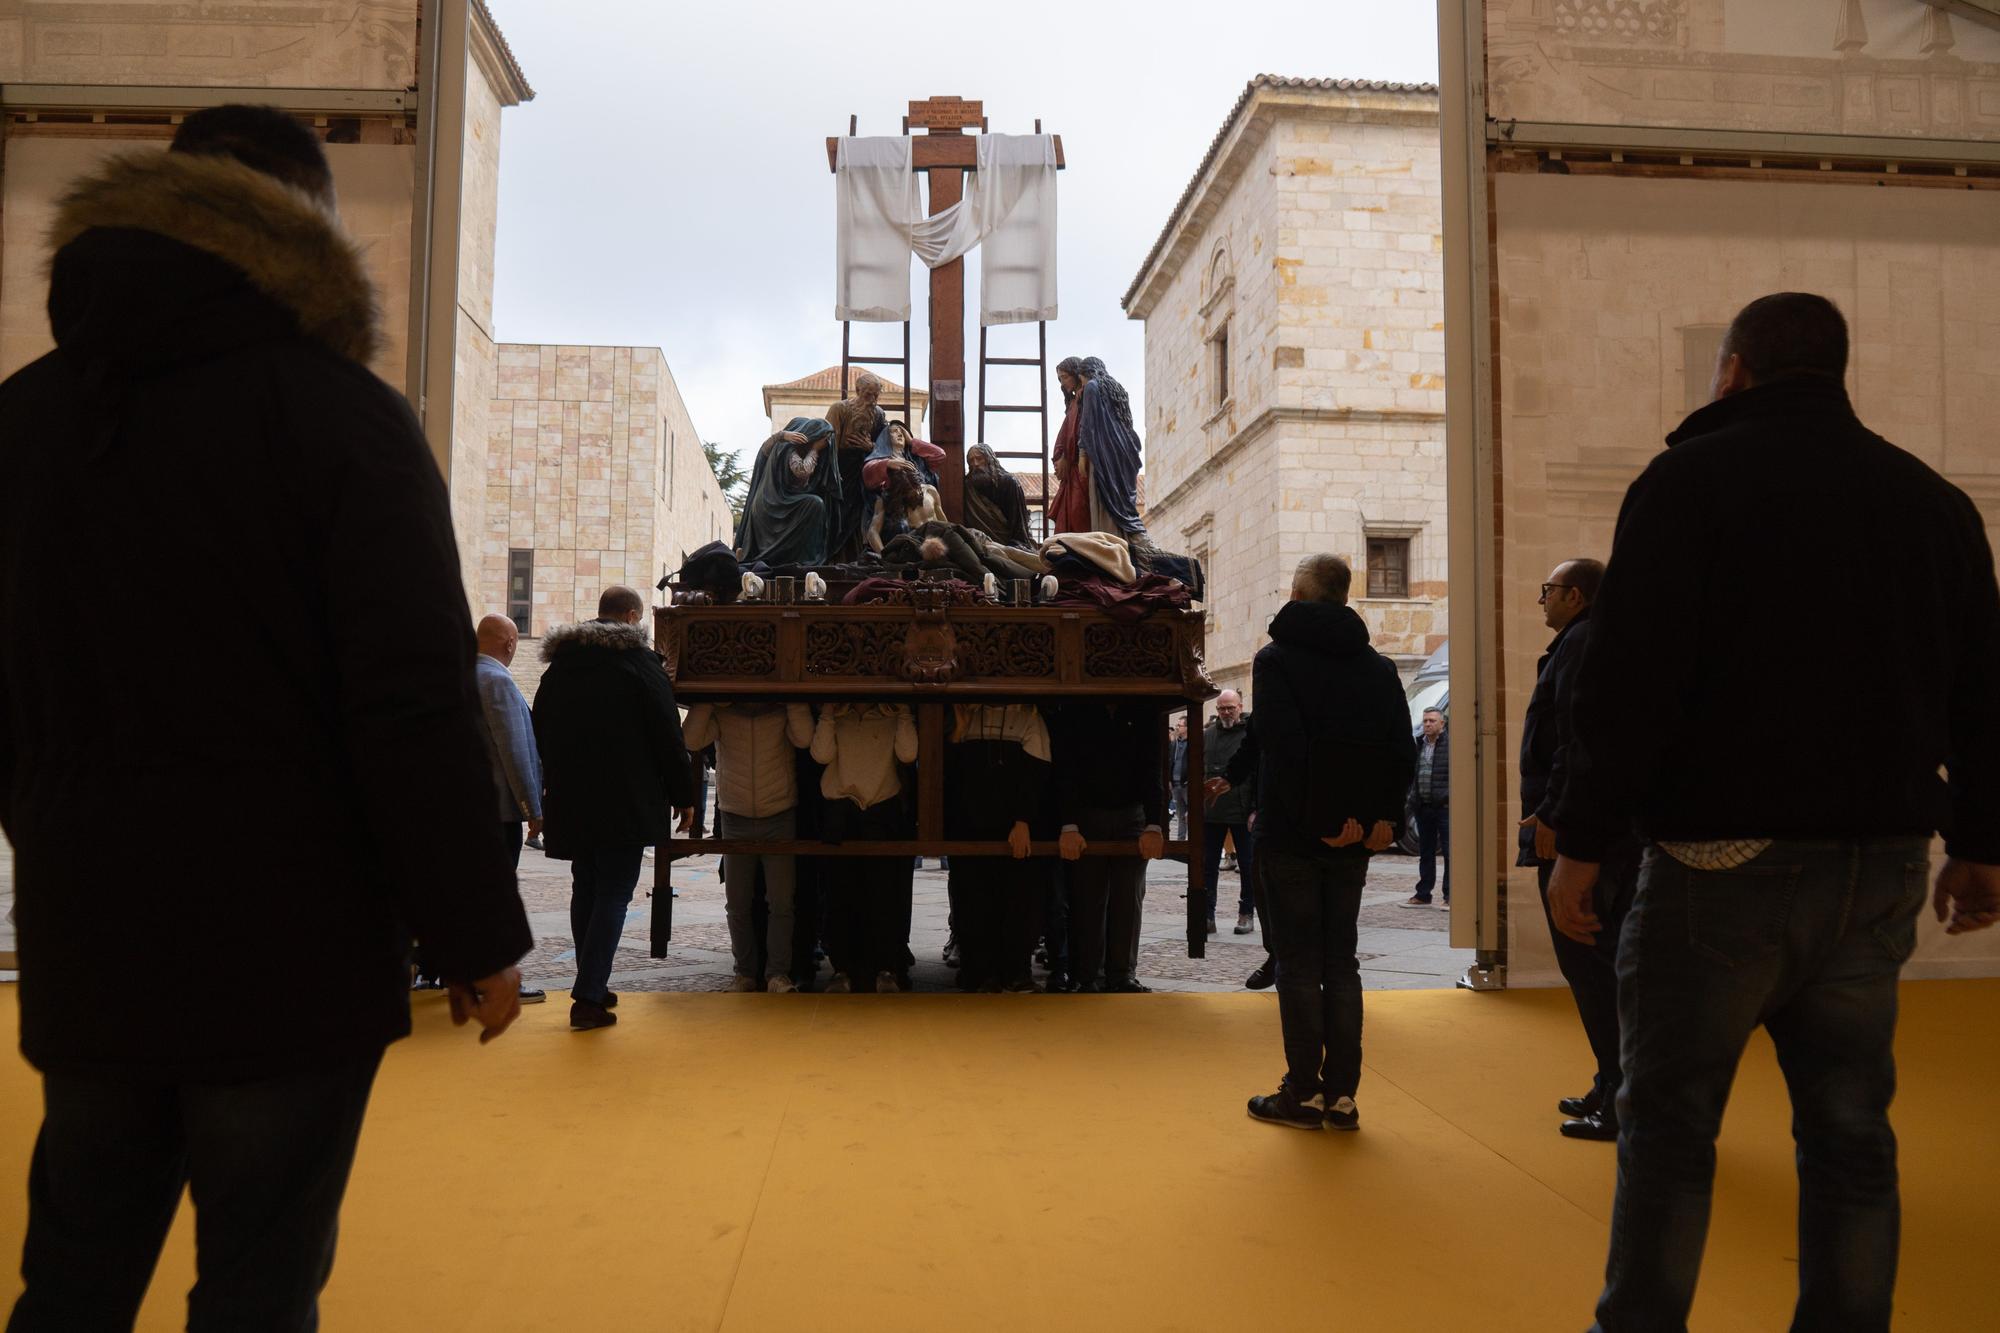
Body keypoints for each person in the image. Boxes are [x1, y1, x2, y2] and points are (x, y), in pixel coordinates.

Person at [0, 106, 531, 1330]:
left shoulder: (25, 424)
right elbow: (409, 705)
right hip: (286, 943)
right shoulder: (343, 420)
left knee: (71, 1275)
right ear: (305, 227)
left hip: (88, 931)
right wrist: (471, 932)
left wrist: (59, 832)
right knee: (257, 1284)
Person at [1545, 292, 2000, 1331]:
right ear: (1835, 373)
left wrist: (1582, 839)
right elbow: (1979, 692)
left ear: (1734, 370)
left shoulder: (1686, 482)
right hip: (1877, 861)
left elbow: (1624, 683)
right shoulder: (1930, 503)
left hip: (1718, 860)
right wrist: (1976, 841)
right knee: (1849, 1134)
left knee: (1666, 1128)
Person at [1212, 555, 1412, 1132]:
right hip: (1354, 837)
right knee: (1341, 963)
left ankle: (1302, 1093)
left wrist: (1322, 819)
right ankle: (1343, 1097)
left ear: (1299, 593)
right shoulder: (1378, 667)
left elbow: (1288, 745)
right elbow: (1399, 749)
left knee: (1299, 965)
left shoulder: (1276, 660)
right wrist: (1381, 821)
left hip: (1296, 833)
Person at [533, 586, 697, 1030]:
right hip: (626, 797)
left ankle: (593, 982)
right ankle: (588, 996)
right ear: (630, 617)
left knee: (585, 885)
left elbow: (540, 727)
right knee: (614, 890)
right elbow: (668, 735)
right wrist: (685, 795)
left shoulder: (561, 665)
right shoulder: (640, 665)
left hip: (571, 796)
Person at [1514, 560, 1631, 1140]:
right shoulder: (1581, 641)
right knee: (1591, 967)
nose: (1542, 600)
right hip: (1570, 823)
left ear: (1576, 595)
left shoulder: (1583, 643)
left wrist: (1554, 815)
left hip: (1571, 830)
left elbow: (1575, 739)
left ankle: (1620, 1096)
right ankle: (1611, 1081)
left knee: (1591, 966)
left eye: (1548, 589)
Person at [683, 701, 814, 993]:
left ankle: (777, 974)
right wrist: (710, 699)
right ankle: (745, 973)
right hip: (735, 814)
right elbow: (690, 739)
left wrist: (791, 696)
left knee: (781, 902)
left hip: (779, 812)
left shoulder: (782, 709)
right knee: (738, 902)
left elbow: (805, 738)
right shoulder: (722, 712)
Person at [1049, 702, 1167, 992]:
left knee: (1129, 896)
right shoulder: (1077, 709)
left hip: (1131, 812)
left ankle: (1122, 974)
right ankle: (1087, 974)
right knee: (1087, 897)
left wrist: (1154, 824)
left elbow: (1153, 766)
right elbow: (1066, 767)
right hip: (1088, 812)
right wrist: (1069, 824)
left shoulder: (1142, 710)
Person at [811, 703, 920, 993]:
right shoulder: (838, 716)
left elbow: (909, 753)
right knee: (840, 896)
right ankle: (843, 969)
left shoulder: (891, 716)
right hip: (841, 814)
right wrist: (828, 714)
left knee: (883, 897)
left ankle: (886, 968)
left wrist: (904, 712)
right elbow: (820, 754)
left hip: (881, 813)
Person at [945, 705, 1050, 991]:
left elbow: (1037, 773)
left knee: (1018, 901)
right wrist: (959, 730)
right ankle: (977, 971)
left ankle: (1015, 971)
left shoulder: (1028, 716)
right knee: (972, 902)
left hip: (1013, 828)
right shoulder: (965, 714)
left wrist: (1023, 820)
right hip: (969, 825)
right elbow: (948, 774)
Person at [474, 614, 549, 1003]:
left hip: (465, 811)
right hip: (499, 812)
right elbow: (515, 750)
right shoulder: (498, 681)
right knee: (498, 899)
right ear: (509, 644)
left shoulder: (460, 676)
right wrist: (532, 806)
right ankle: (497, 981)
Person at [734, 418, 837, 568]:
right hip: (774, 505)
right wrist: (814, 449)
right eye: (823, 439)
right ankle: (808, 560)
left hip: (782, 502)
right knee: (815, 505)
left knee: (816, 503)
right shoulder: (787, 449)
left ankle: (803, 557)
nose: (825, 444)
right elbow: (802, 471)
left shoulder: (789, 448)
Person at [1071, 357, 1150, 546]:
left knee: (1105, 498)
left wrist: (1082, 453)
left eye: (1080, 380)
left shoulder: (1092, 387)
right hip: (1125, 451)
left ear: (1086, 374)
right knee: (1123, 500)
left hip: (1104, 453)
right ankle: (1136, 538)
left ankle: (1111, 544)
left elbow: (1088, 423)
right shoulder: (1118, 388)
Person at [1201, 691, 1257, 936]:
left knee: (1247, 865)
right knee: (1207, 866)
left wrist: (1255, 808)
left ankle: (1246, 913)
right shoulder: (1206, 736)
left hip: (1243, 810)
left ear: (1240, 707)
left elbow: (1257, 773)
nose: (1226, 712)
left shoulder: (1250, 734)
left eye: (1230, 708)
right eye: (1222, 708)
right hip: (1212, 812)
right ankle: (1206, 914)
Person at [825, 372, 886, 562]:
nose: (872, 400)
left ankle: (859, 555)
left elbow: (883, 445)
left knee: (862, 513)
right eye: (868, 395)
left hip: (864, 469)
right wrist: (833, 474)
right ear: (858, 391)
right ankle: (835, 557)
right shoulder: (839, 409)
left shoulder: (878, 414)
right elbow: (828, 443)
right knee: (839, 516)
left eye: (876, 396)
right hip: (840, 469)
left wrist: (870, 447)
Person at [1403, 708, 1450, 907]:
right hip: (1423, 806)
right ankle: (1423, 894)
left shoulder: (1450, 745)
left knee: (1450, 852)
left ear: (1442, 724)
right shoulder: (1419, 743)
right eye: (1425, 721)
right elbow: (1413, 772)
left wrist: (1447, 797)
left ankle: (1450, 894)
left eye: (1432, 721)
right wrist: (1413, 798)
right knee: (1426, 852)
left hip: (1444, 807)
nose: (1427, 724)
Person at [1047, 357, 1092, 535]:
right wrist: (1061, 457)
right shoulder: (1073, 403)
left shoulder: (1087, 397)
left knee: (1078, 513)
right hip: (1071, 472)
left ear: (1077, 374)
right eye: (1059, 378)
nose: (1062, 382)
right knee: (1066, 521)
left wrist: (1070, 456)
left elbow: (1083, 431)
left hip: (1082, 469)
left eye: (1065, 377)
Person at [964, 443, 1037, 549]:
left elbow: (1018, 522)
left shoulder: (1009, 482)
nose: (975, 464)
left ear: (990, 459)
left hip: (1010, 543)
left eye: (979, 459)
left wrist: (1016, 544)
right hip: (979, 542)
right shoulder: (968, 486)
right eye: (971, 461)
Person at [1168, 716, 1190, 844]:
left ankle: (1193, 841)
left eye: (1180, 725)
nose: (1177, 727)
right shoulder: (1175, 743)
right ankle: (1180, 841)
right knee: (1180, 815)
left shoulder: (1193, 743)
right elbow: (1171, 761)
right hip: (1176, 784)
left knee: (1190, 815)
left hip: (1187, 784)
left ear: (1187, 727)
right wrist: (1170, 779)